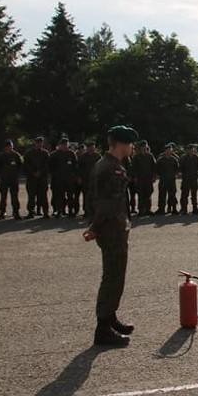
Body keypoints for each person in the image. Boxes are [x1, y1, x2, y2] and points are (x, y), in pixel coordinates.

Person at [83, 125, 139, 347]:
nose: (132, 147)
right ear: (123, 144)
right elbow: (108, 205)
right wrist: (95, 227)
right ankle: (103, 329)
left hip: (109, 229)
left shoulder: (102, 164)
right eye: (131, 143)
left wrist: (93, 224)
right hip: (112, 230)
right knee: (113, 278)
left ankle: (110, 317)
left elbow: (91, 198)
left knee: (112, 275)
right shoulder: (113, 169)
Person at [49, 138, 79, 217]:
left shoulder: (71, 154)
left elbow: (75, 166)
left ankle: (70, 211)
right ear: (59, 145)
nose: (64, 146)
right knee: (59, 196)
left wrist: (76, 177)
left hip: (69, 179)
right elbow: (50, 167)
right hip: (58, 179)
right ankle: (59, 210)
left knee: (70, 196)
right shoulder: (54, 154)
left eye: (66, 144)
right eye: (63, 144)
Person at [0, 140, 23, 220]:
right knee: (3, 196)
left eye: (11, 146)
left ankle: (16, 212)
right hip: (4, 179)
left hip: (13, 179)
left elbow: (20, 165)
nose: (9, 148)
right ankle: (2, 212)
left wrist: (17, 174)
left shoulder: (16, 155)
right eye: (8, 146)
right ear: (5, 148)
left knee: (14, 196)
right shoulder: (1, 156)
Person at [24, 137, 50, 219]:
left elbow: (47, 165)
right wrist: (33, 172)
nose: (39, 144)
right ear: (35, 143)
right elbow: (26, 164)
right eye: (38, 143)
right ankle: (31, 212)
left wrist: (40, 172)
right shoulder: (29, 153)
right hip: (31, 178)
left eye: (41, 143)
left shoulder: (45, 153)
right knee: (31, 196)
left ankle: (45, 212)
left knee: (43, 196)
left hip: (42, 178)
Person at [78, 142, 103, 217]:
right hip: (86, 179)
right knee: (86, 196)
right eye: (90, 148)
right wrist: (79, 177)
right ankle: (86, 211)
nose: (91, 149)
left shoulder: (98, 156)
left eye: (93, 148)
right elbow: (79, 168)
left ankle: (95, 211)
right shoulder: (83, 157)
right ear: (87, 148)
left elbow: (102, 167)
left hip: (96, 179)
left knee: (96, 196)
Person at [131, 141, 156, 216]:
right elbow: (133, 168)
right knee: (140, 194)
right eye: (143, 147)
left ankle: (148, 209)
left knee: (148, 194)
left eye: (145, 147)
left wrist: (154, 176)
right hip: (140, 179)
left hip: (148, 178)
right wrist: (135, 177)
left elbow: (154, 166)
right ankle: (141, 210)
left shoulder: (150, 156)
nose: (144, 148)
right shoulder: (136, 157)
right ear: (140, 148)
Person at [155, 143, 179, 215]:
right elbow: (157, 169)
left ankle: (173, 208)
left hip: (171, 180)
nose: (169, 151)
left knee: (172, 194)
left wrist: (175, 174)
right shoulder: (160, 160)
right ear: (165, 151)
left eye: (170, 150)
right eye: (167, 150)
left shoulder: (174, 159)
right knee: (162, 195)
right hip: (163, 180)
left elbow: (177, 168)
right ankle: (161, 209)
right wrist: (158, 175)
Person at [180, 144, 198, 215]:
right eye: (190, 149)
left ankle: (195, 208)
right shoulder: (184, 158)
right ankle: (184, 209)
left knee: (194, 195)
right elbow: (181, 168)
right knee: (184, 195)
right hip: (186, 179)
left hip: (194, 179)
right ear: (187, 150)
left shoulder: (196, 157)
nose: (191, 151)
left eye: (192, 149)